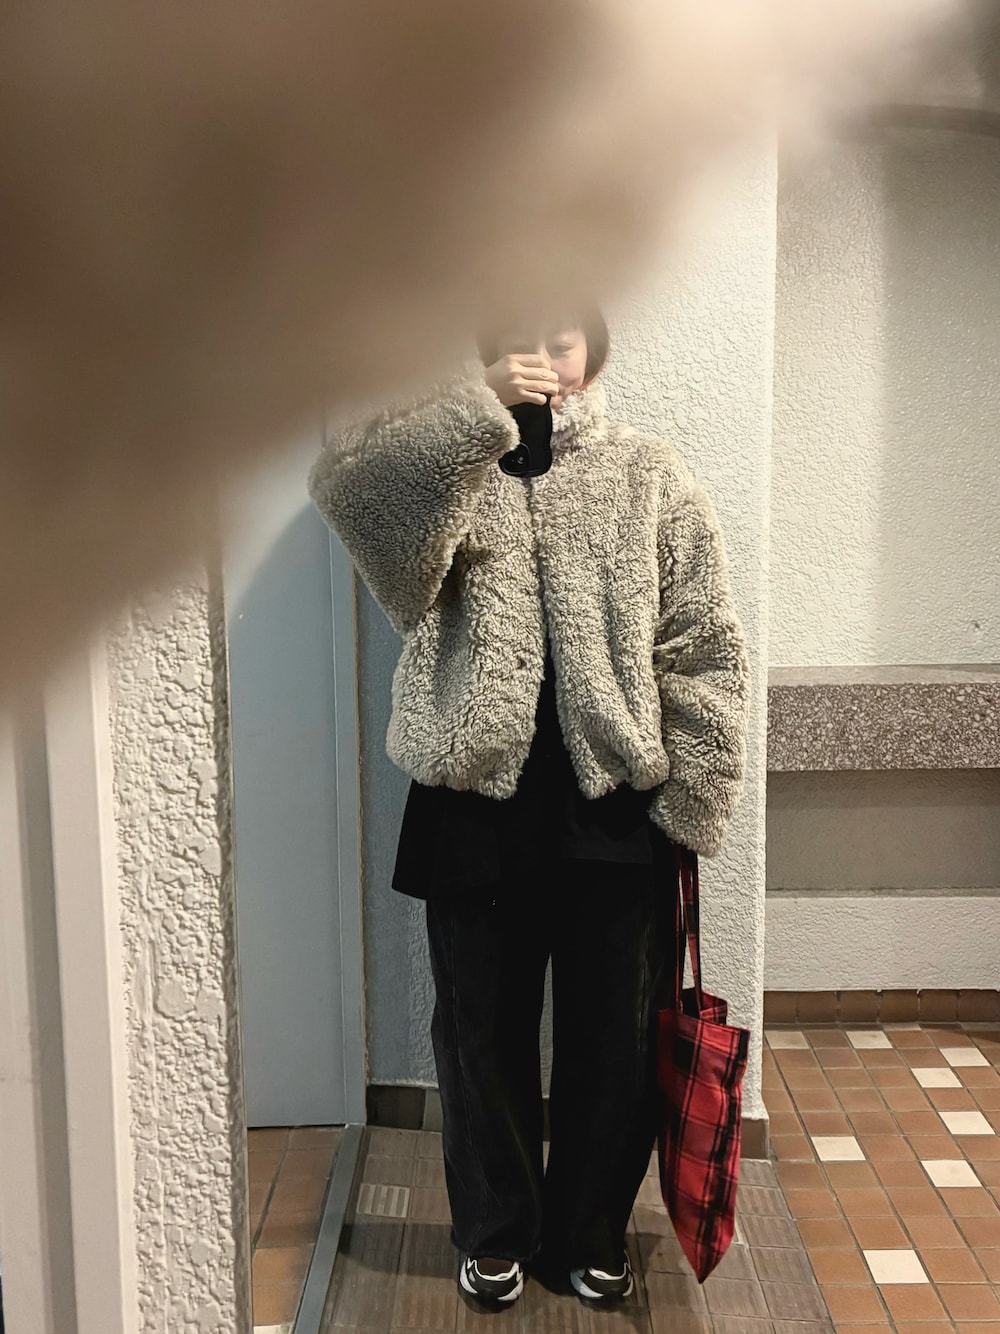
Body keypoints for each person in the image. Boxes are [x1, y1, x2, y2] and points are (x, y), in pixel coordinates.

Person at [309, 309, 749, 1305]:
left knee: (613, 1037)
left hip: (613, 807)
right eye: (518, 340)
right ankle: (496, 1227)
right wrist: (475, 415)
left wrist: (693, 797)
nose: (543, 361)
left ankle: (591, 1229)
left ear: (593, 350)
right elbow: (357, 505)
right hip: (473, 802)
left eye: (561, 339)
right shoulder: (452, 465)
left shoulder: (647, 473)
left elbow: (703, 642)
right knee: (480, 1032)